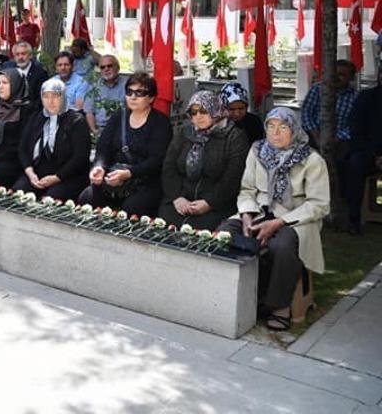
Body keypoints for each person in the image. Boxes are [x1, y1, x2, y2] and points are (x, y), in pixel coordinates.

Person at [220, 107, 330, 331]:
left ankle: (279, 306)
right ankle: (238, 297)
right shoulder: (257, 151)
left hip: (297, 218)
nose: (275, 133)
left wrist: (280, 222)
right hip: (259, 211)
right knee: (225, 233)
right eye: (270, 127)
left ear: (295, 130)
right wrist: (247, 216)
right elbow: (247, 189)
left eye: (283, 127)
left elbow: (319, 205)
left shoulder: (311, 160)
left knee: (282, 245)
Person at [80, 73, 173, 216]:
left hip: (145, 180)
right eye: (129, 92)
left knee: (131, 209)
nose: (133, 97)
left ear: (151, 98)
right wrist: (99, 166)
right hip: (114, 175)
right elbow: (103, 149)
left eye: (140, 93)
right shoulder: (118, 117)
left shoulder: (160, 123)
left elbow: (156, 160)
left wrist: (129, 174)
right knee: (87, 197)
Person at [158, 90, 250, 230]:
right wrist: (177, 197)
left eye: (203, 111)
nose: (198, 116)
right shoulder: (184, 132)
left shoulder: (234, 137)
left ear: (215, 110)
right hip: (180, 199)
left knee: (201, 235)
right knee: (164, 227)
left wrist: (209, 202)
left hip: (217, 203)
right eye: (193, 112)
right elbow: (169, 166)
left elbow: (233, 177)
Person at [15, 78, 91, 199]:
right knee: (19, 191)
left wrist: (56, 178)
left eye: (55, 96)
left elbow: (79, 157)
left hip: (67, 176)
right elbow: (22, 147)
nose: (50, 101)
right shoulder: (37, 117)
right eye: (45, 96)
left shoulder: (76, 121)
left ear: (63, 96)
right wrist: (30, 172)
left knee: (51, 199)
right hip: (37, 173)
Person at [346, 64, 382, 235]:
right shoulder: (367, 97)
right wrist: (375, 154)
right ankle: (354, 218)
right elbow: (356, 130)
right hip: (369, 152)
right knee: (355, 164)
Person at [301, 59, 357, 151]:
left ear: (351, 78)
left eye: (341, 75)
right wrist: (317, 137)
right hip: (313, 135)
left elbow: (354, 124)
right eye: (334, 73)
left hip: (341, 141)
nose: (336, 77)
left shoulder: (356, 97)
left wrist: (337, 139)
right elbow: (306, 113)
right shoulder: (317, 89)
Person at [2, 41, 49, 116]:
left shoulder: (40, 73)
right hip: (9, 112)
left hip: (32, 113)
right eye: (17, 54)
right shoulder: (8, 70)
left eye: (23, 54)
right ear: (14, 57)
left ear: (30, 56)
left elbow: (41, 98)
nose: (20, 57)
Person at [84, 55, 126, 134]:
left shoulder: (127, 85)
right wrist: (94, 131)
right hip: (100, 129)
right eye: (102, 67)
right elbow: (89, 111)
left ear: (117, 68)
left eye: (109, 66)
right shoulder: (94, 86)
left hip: (121, 129)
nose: (106, 69)